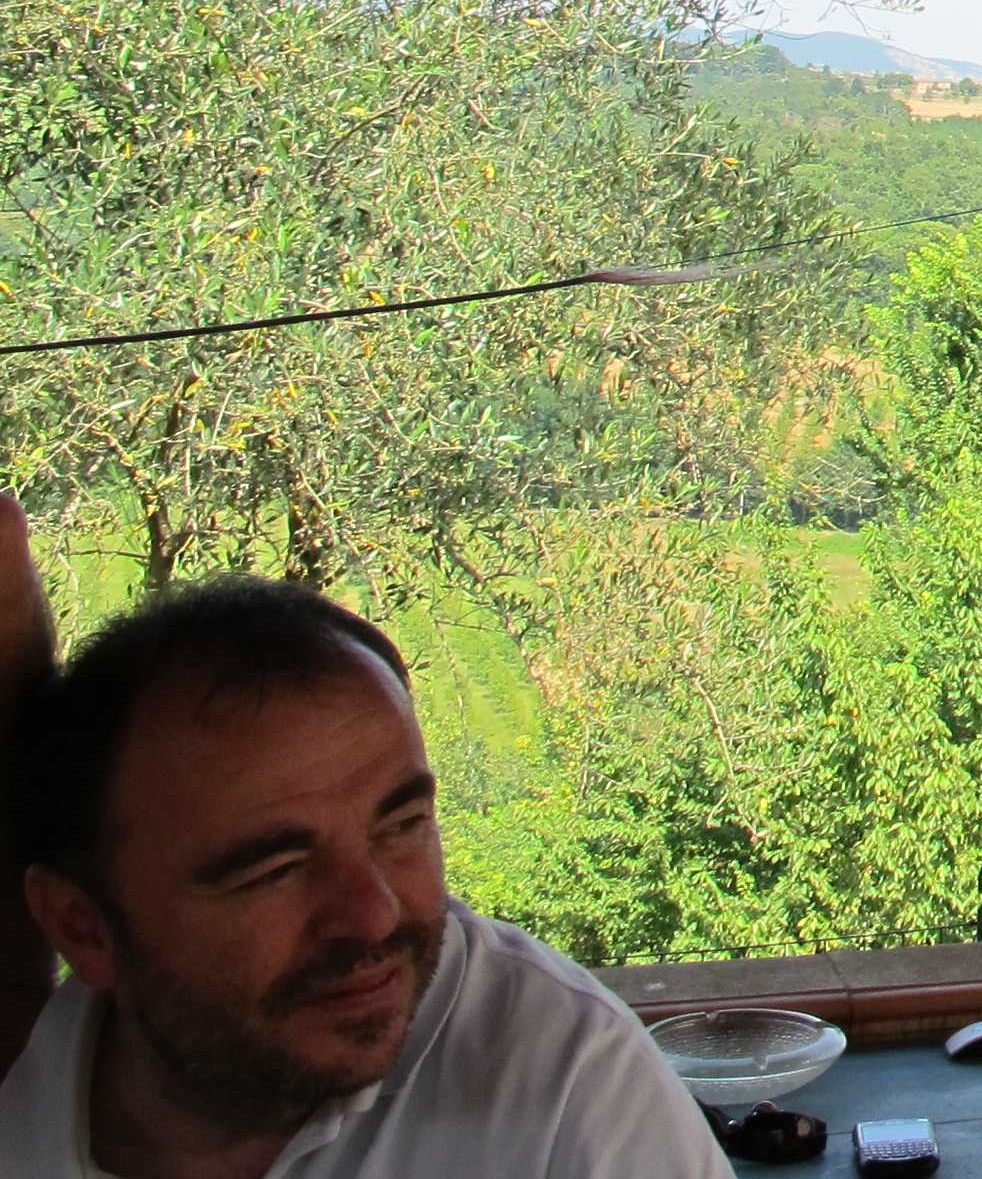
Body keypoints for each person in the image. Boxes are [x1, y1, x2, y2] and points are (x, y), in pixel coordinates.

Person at [0, 496, 726, 1179]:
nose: (374, 913)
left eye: (402, 826)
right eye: (276, 870)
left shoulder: (567, 1094)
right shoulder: (23, 1095)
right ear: (83, 927)